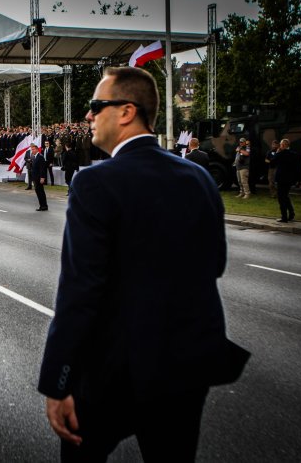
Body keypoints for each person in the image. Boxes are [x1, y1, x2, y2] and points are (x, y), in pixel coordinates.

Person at [38, 66, 249, 462]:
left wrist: (57, 379)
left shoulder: (95, 182)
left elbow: (80, 291)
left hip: (113, 371)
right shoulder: (199, 177)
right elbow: (214, 264)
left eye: (96, 106)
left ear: (126, 111)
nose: (88, 116)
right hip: (185, 366)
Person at [271, 138, 297, 222]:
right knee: (286, 196)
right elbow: (297, 168)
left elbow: (272, 163)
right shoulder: (293, 154)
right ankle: (291, 214)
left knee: (281, 198)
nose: (280, 146)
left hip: (281, 179)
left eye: (281, 144)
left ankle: (284, 217)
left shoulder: (280, 154)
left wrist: (277, 153)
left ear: (283, 145)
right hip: (289, 179)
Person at [31, 143, 48, 211]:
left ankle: (44, 206)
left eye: (33, 149)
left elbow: (42, 168)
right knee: (38, 192)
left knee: (41, 192)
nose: (32, 150)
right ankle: (42, 206)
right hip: (35, 177)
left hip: (39, 178)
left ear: (37, 149)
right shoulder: (35, 157)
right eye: (31, 149)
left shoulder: (40, 157)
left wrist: (42, 177)